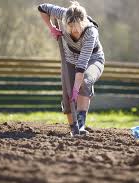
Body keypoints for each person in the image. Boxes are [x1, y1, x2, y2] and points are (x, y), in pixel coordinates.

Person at [38, 1, 105, 135]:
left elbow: (81, 67)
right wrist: (51, 27)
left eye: (77, 27)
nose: (74, 30)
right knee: (67, 96)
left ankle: (80, 125)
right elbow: (42, 8)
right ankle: (73, 128)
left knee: (84, 82)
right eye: (70, 26)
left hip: (92, 59)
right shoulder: (63, 14)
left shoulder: (90, 33)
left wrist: (76, 89)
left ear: (83, 22)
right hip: (70, 59)